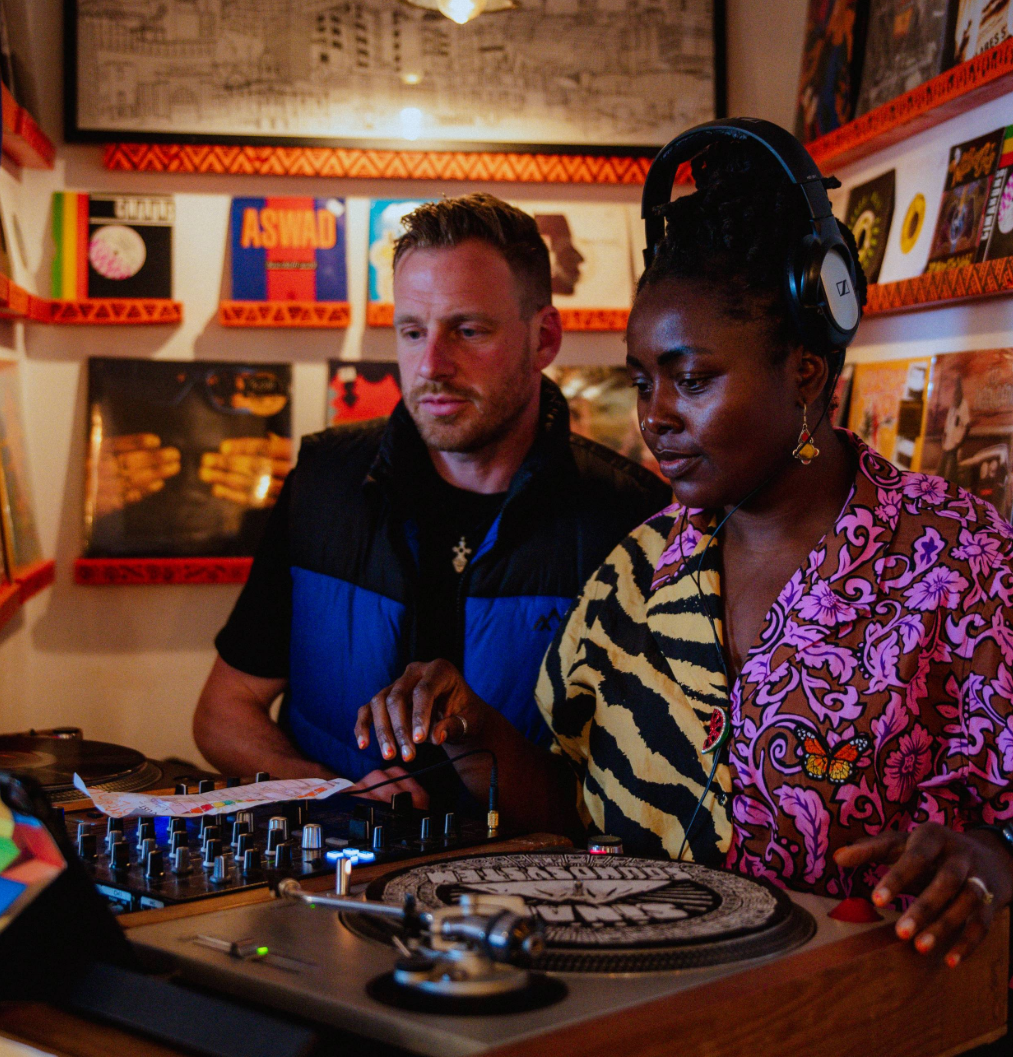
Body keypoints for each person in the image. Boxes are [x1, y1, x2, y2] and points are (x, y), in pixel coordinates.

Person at [354, 135, 1013, 1055]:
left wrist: (1001, 858)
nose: (656, 416)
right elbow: (584, 820)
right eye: (643, 381)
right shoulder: (643, 565)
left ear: (804, 374)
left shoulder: (961, 564)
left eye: (692, 379)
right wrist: (477, 735)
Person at [194, 193, 668, 803]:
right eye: (412, 332)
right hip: (336, 877)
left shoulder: (633, 520)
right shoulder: (323, 481)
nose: (432, 365)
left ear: (543, 338)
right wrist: (334, 792)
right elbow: (223, 712)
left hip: (529, 884)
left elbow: (638, 790)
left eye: (468, 330)